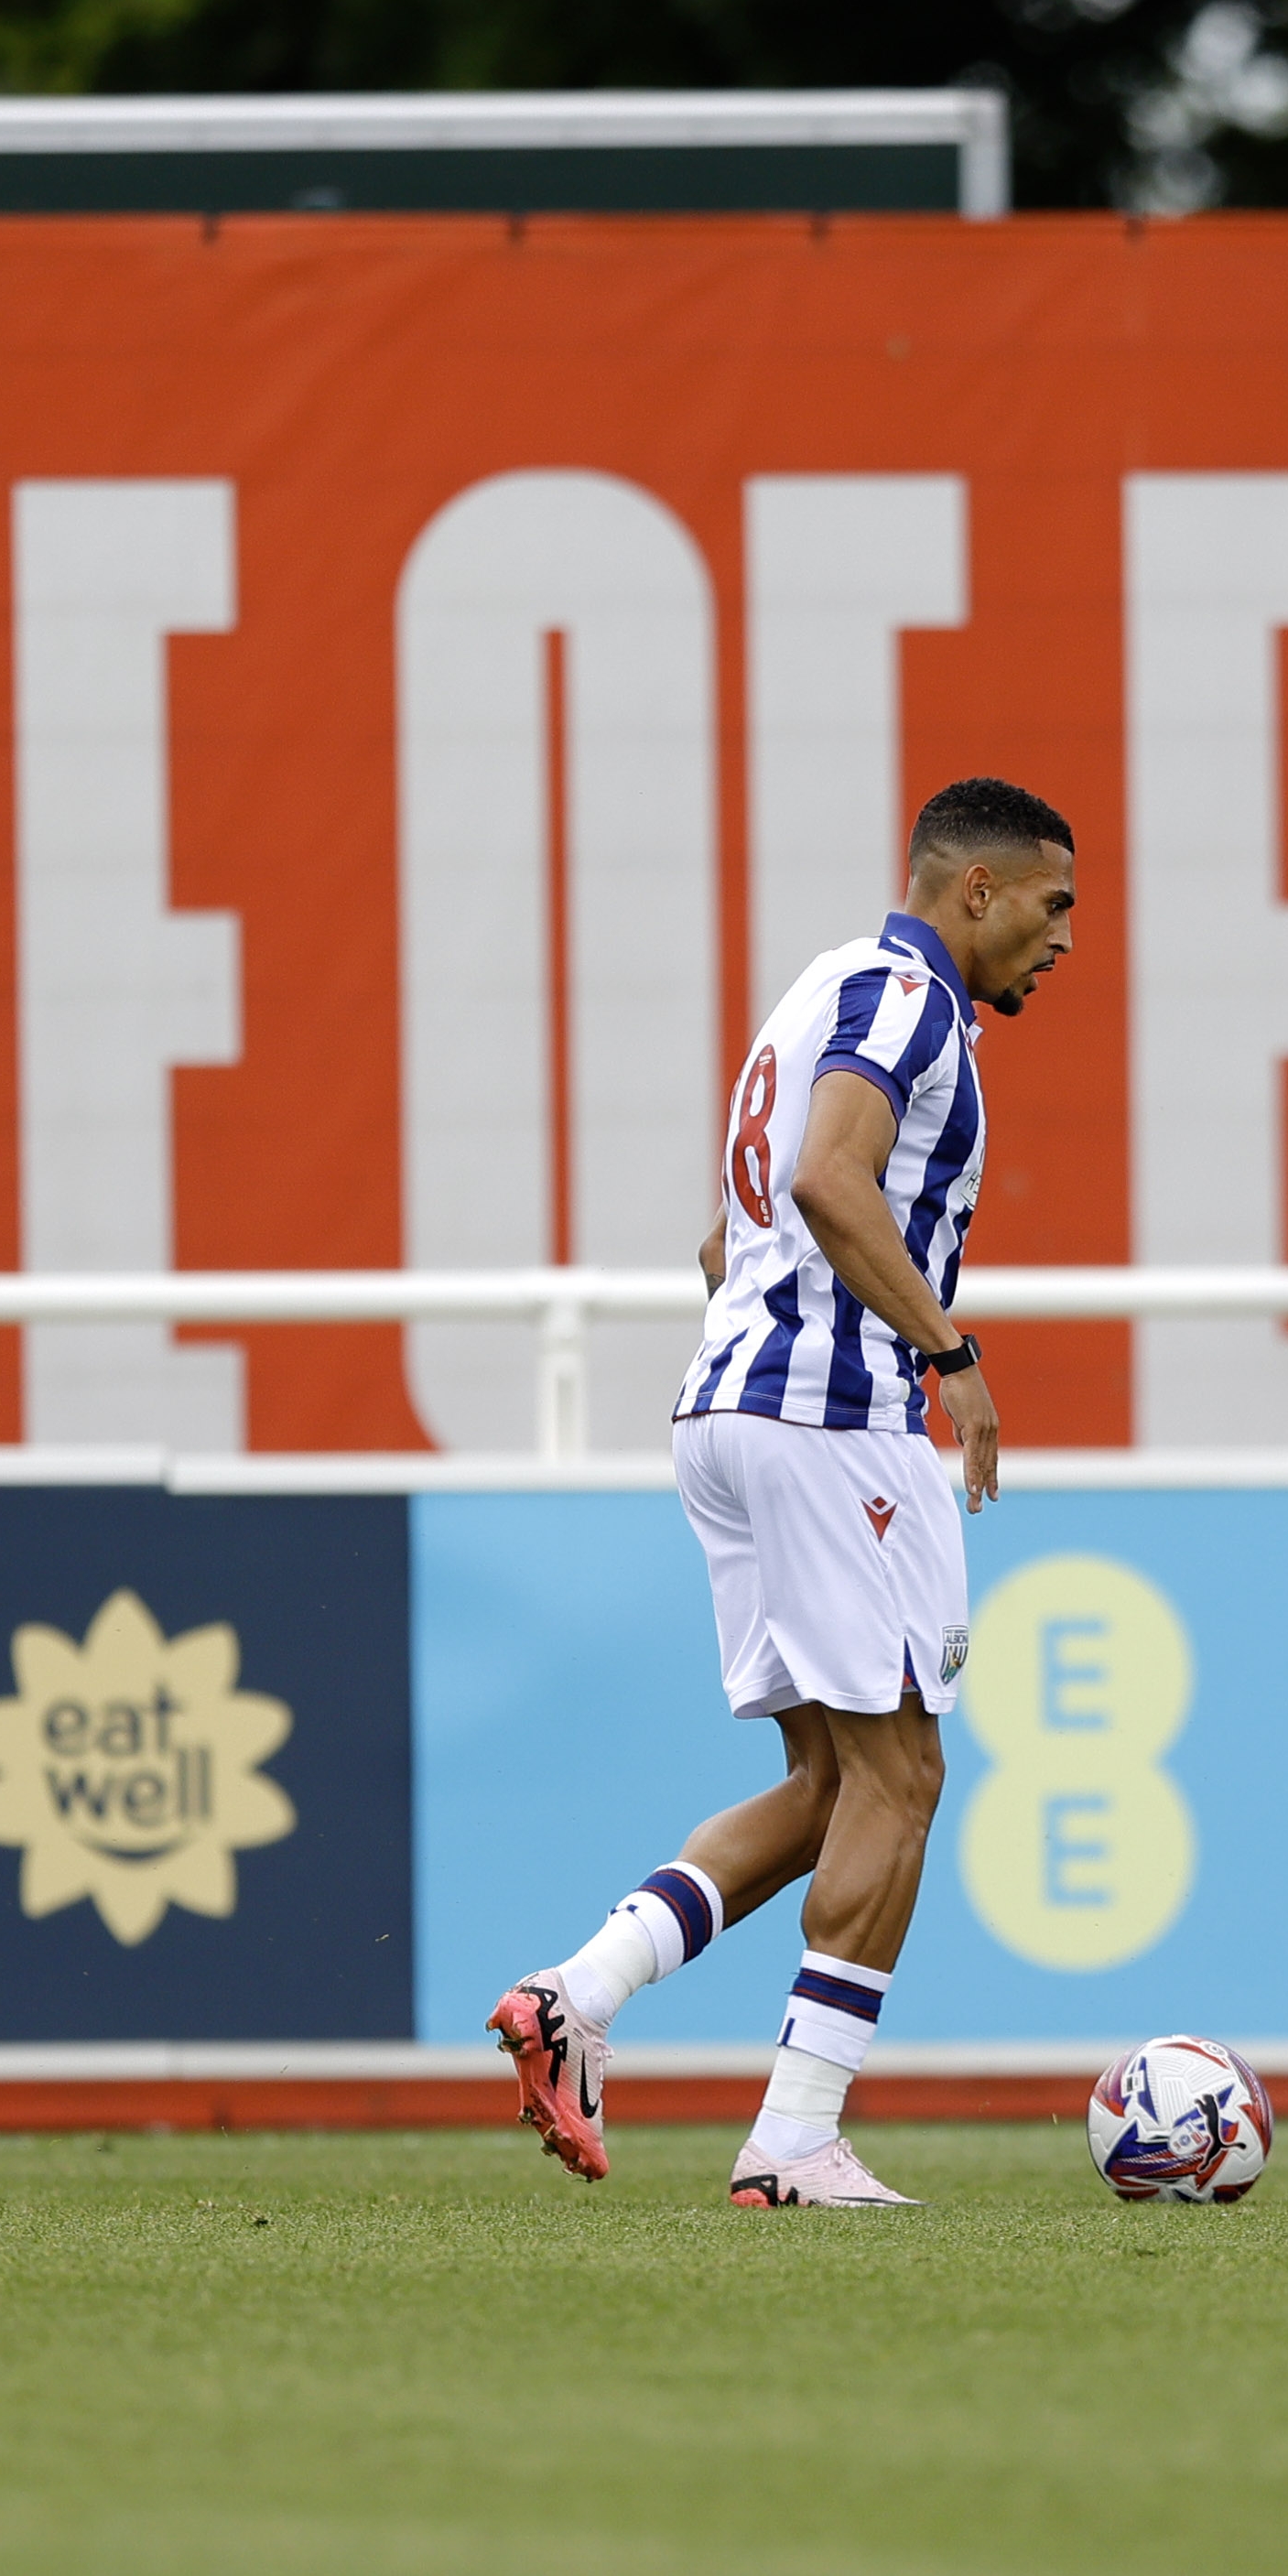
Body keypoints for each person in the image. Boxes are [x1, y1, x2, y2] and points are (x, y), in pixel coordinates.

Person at [487, 778, 1079, 2209]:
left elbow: (725, 1235)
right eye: (1052, 907)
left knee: (827, 1787)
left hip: (732, 1409)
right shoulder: (911, 1002)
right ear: (976, 891)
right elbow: (825, 1179)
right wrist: (949, 1355)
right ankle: (796, 2139)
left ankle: (578, 1993)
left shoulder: (817, 989)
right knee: (904, 1773)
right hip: (829, 1424)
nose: (1064, 941)